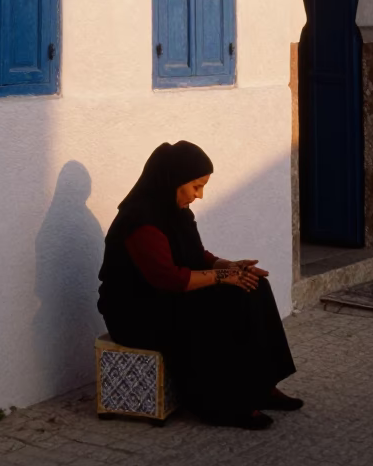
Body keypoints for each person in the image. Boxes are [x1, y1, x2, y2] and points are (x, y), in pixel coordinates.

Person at [98, 140, 301, 429]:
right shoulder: (140, 221)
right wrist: (223, 278)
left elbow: (196, 255)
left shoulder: (177, 212)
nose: (200, 195)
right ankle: (224, 404)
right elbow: (168, 278)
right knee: (225, 303)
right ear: (173, 181)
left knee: (254, 286)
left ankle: (263, 386)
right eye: (196, 186)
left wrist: (229, 267)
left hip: (166, 299)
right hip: (137, 312)